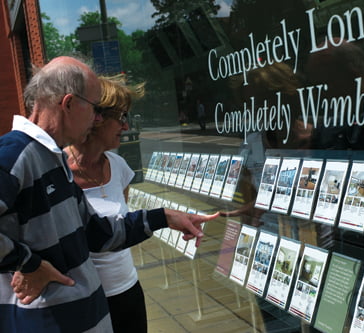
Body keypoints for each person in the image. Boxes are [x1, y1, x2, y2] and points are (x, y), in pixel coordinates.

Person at [0, 56, 219, 332]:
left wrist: (165, 217)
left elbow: (98, 233)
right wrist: (29, 264)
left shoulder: (52, 159)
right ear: (68, 103)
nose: (97, 118)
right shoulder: (14, 155)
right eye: (94, 108)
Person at [63, 75, 147, 332]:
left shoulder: (119, 167)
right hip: (83, 300)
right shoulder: (58, 171)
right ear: (96, 120)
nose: (125, 127)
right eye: (121, 118)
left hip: (127, 290)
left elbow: (121, 228)